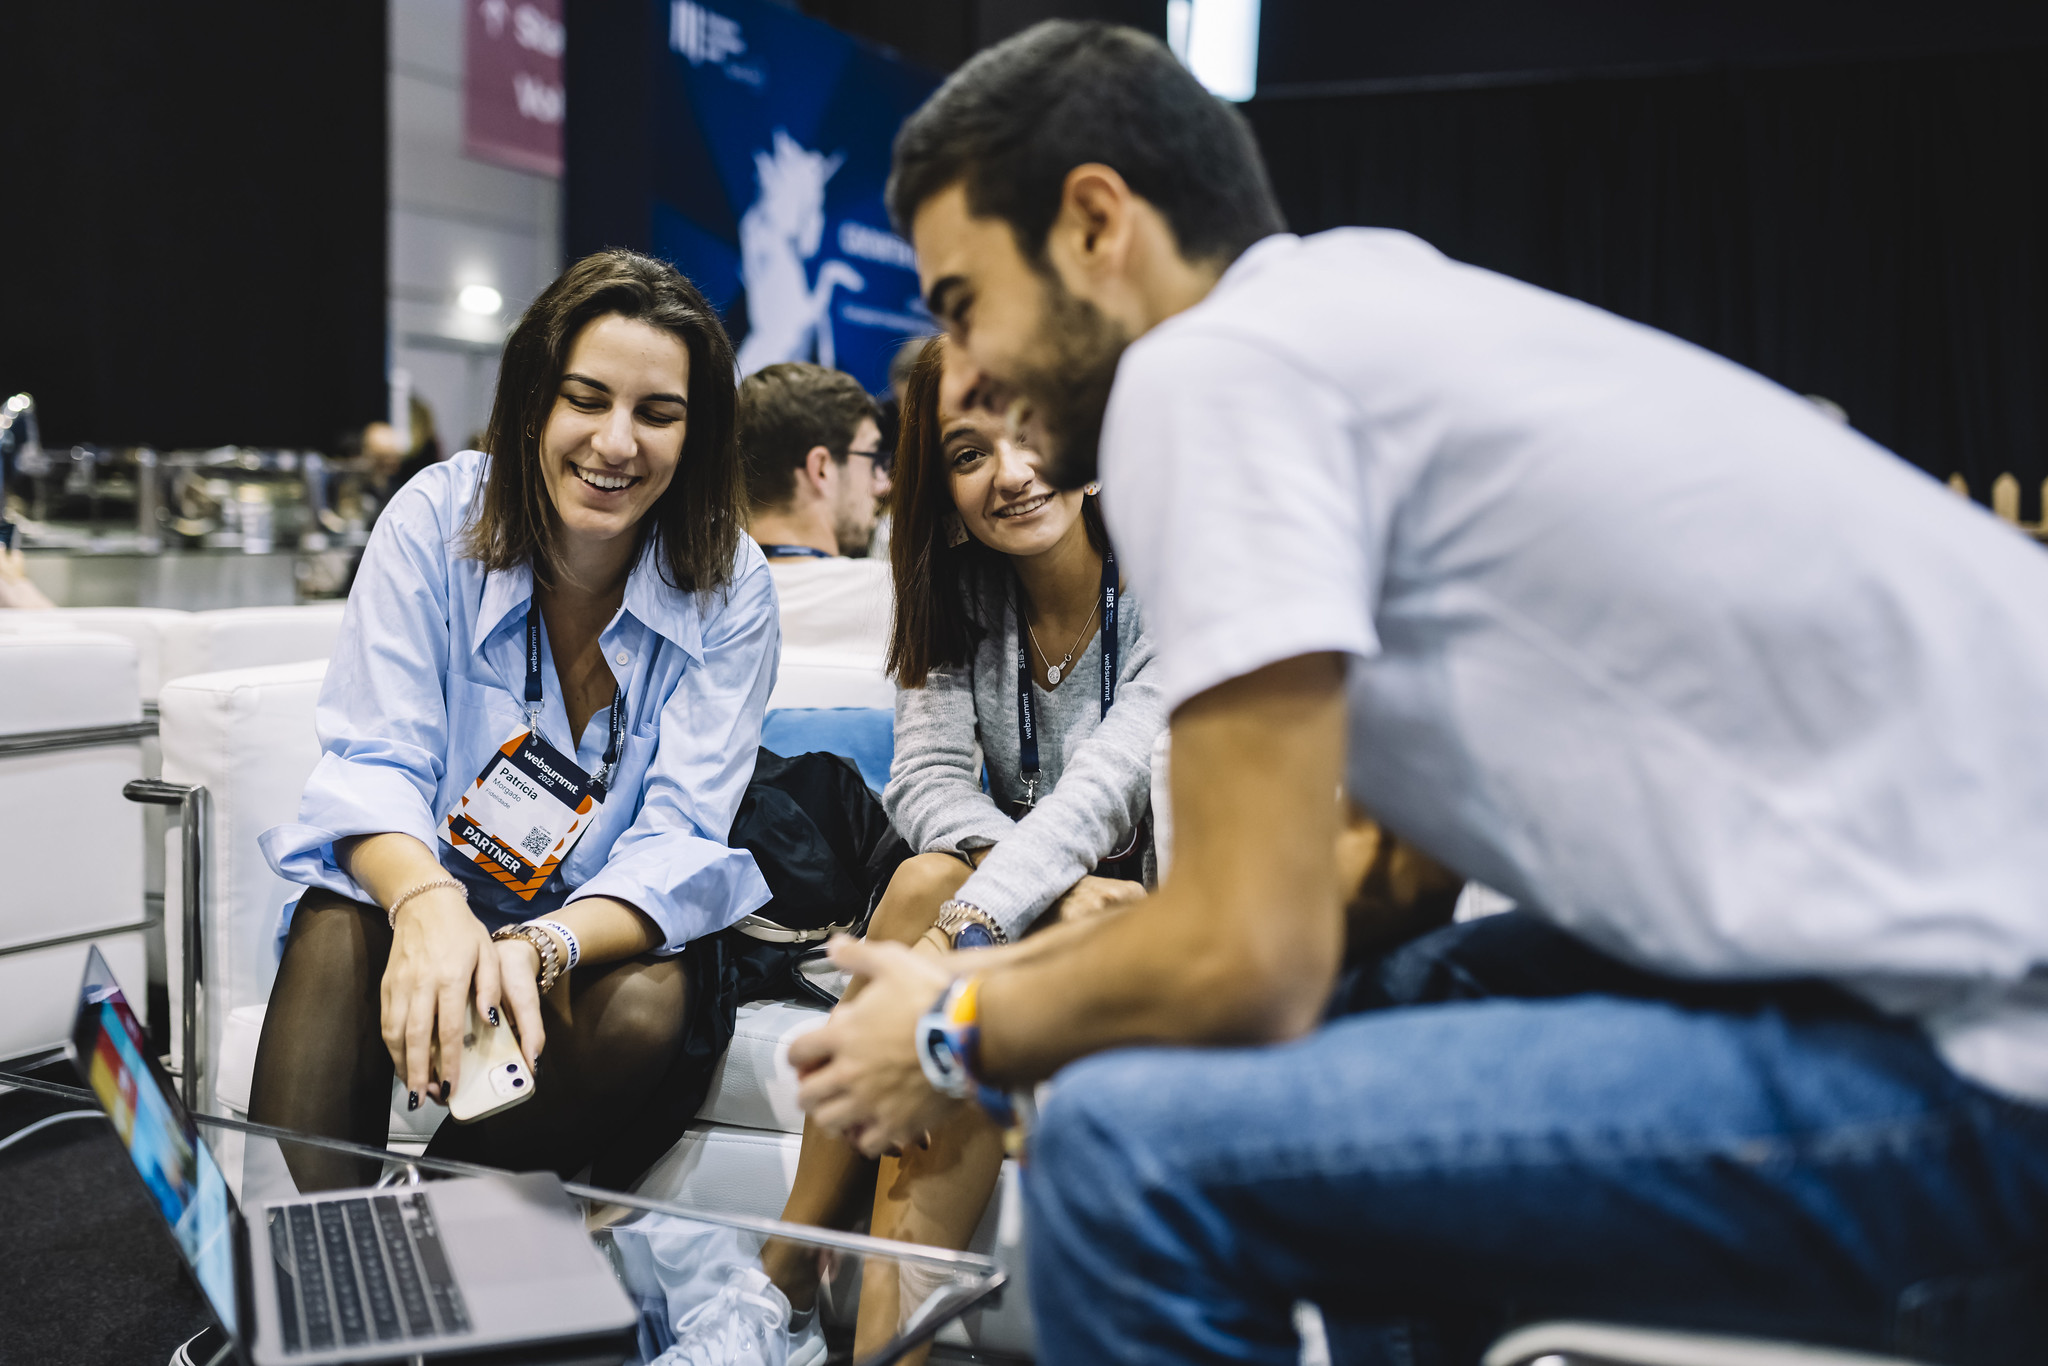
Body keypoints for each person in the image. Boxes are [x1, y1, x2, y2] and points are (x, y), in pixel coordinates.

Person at [787, 21, 2048, 1365]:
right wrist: (995, 970)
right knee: (1401, 991)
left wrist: (951, 1021)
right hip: (1946, 978)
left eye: (963, 302)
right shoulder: (1367, 316)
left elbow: (1246, 954)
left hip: (1981, 1060)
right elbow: (1378, 888)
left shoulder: (1206, 375)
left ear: (1098, 223)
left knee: (1127, 1157)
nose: (962, 371)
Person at [664, 333, 1166, 1365]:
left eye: (1030, 433)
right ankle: (837, 1314)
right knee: (929, 882)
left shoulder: (1169, 583)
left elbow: (1106, 789)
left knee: (952, 934)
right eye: (969, 452)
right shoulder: (955, 596)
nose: (1011, 474)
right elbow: (925, 781)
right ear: (938, 482)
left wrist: (991, 911)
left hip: (1162, 922)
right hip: (1038, 912)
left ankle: (792, 1284)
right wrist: (1025, 898)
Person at [252, 249, 779, 1193]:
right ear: (537, 396)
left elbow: (681, 834)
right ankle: (315, 1267)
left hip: (583, 934)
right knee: (338, 926)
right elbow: (375, 760)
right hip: (426, 892)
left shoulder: (732, 583)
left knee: (647, 1005)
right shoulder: (436, 516)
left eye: (657, 413)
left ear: (695, 435)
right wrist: (428, 905)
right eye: (587, 398)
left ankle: (415, 1246)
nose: (616, 443)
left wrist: (541, 945)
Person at [737, 362, 894, 667]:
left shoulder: (691, 610)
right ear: (821, 468)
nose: (883, 484)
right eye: (871, 457)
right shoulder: (901, 607)